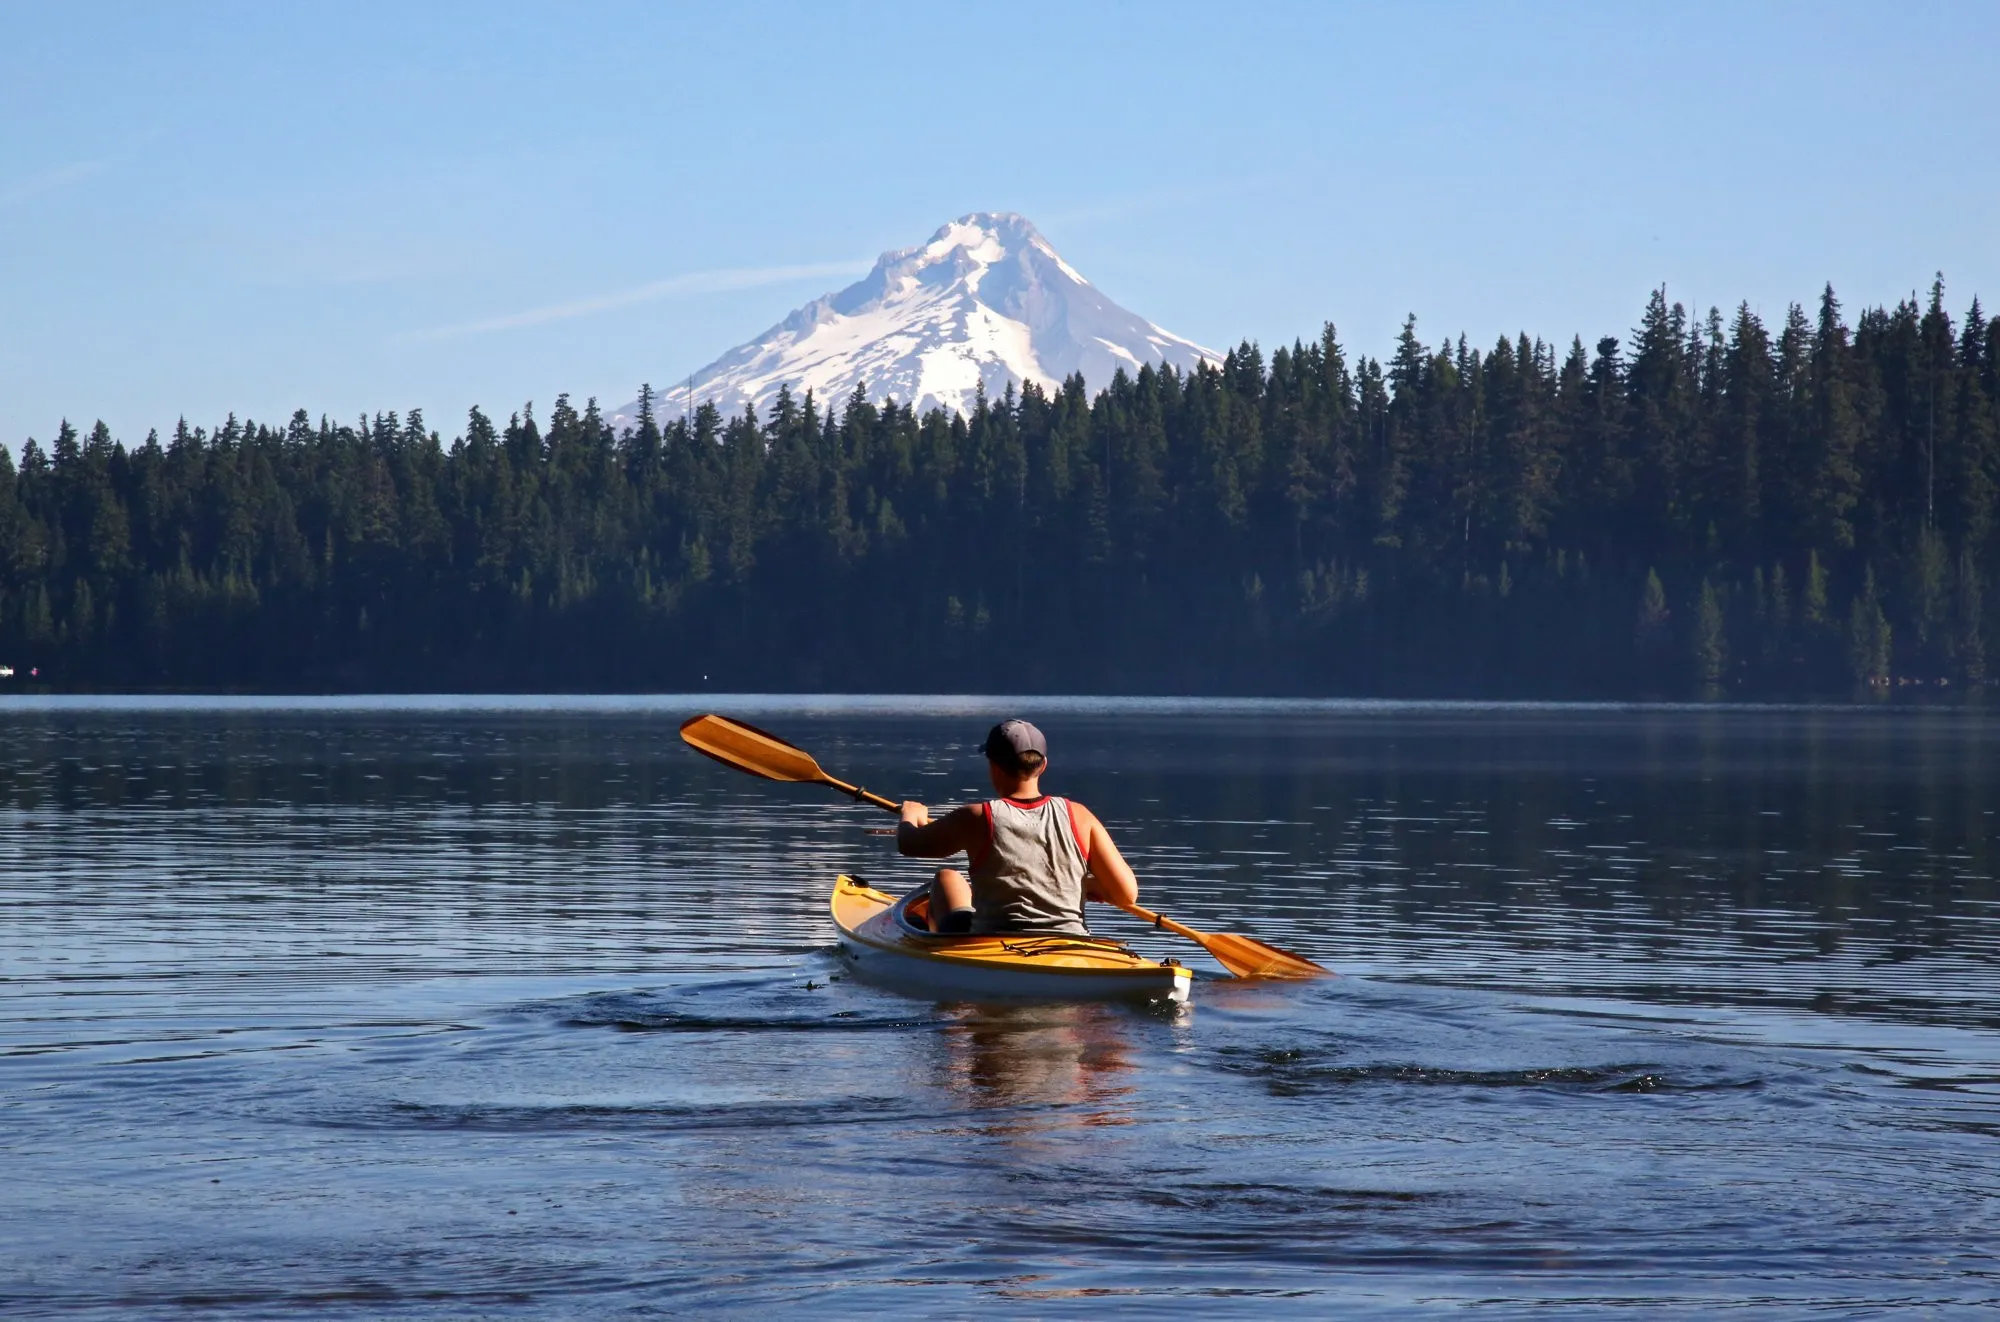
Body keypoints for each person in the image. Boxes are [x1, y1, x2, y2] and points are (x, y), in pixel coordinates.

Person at [894, 719, 1140, 935]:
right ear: (1043, 765)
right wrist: (1082, 883)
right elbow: (1127, 894)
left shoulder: (977, 817)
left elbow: (909, 843)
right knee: (951, 878)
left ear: (994, 766)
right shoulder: (1080, 816)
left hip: (992, 943)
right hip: (1070, 941)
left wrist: (910, 816)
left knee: (945, 878)